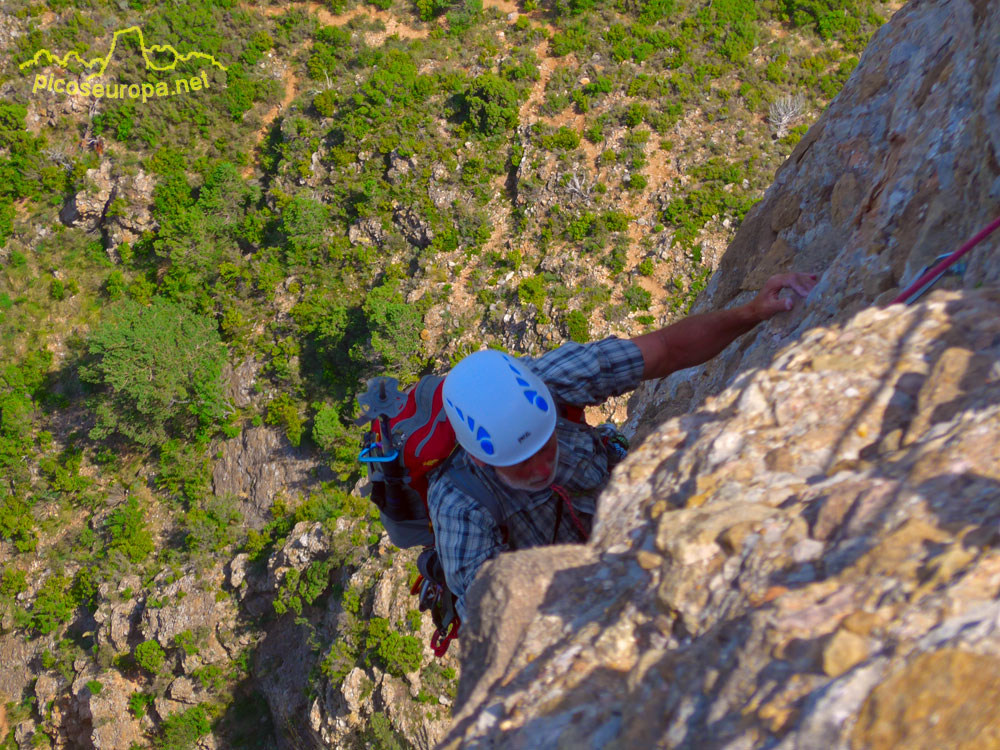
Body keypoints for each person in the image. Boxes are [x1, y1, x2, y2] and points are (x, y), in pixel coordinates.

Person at [428, 272, 818, 619]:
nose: (541, 468)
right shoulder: (460, 505)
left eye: (546, 446)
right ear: (480, 461)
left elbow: (667, 349)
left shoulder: (555, 381)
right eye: (521, 465)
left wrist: (751, 312)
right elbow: (492, 614)